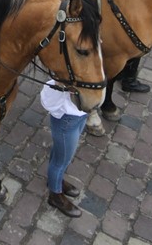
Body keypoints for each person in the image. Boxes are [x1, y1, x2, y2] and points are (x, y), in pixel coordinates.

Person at [41, 79, 86, 218]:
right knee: (61, 162)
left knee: (60, 154)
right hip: (68, 121)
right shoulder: (58, 83)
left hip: (82, 114)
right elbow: (48, 101)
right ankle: (55, 195)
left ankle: (56, 180)